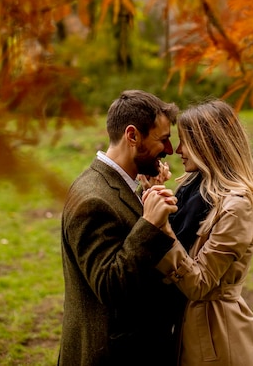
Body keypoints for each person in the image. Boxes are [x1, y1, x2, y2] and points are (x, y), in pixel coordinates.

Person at [145, 98, 253, 366]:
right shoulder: (194, 188)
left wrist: (161, 226)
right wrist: (152, 194)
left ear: (209, 143)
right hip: (189, 325)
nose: (177, 150)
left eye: (185, 142)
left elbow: (199, 284)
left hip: (216, 336)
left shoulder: (237, 206)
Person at [57, 89, 179, 366]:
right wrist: (149, 223)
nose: (170, 150)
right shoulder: (91, 199)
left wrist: (150, 193)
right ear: (132, 136)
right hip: (113, 356)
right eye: (163, 139)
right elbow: (109, 285)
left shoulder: (120, 184)